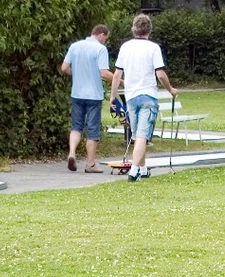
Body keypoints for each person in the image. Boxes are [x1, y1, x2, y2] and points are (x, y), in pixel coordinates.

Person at [110, 14, 177, 182]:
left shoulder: (125, 47)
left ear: (134, 28)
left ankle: (143, 167)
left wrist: (113, 96)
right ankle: (134, 170)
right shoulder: (153, 48)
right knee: (142, 135)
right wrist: (170, 89)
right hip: (148, 95)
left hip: (131, 96)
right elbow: (160, 74)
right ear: (149, 29)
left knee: (138, 133)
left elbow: (117, 74)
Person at [61, 25, 114, 173]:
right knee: (92, 130)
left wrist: (76, 74)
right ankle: (90, 164)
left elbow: (64, 67)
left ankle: (72, 153)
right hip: (94, 95)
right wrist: (119, 80)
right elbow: (104, 73)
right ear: (101, 35)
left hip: (77, 93)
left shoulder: (75, 46)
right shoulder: (100, 49)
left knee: (76, 127)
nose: (105, 42)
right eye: (105, 38)